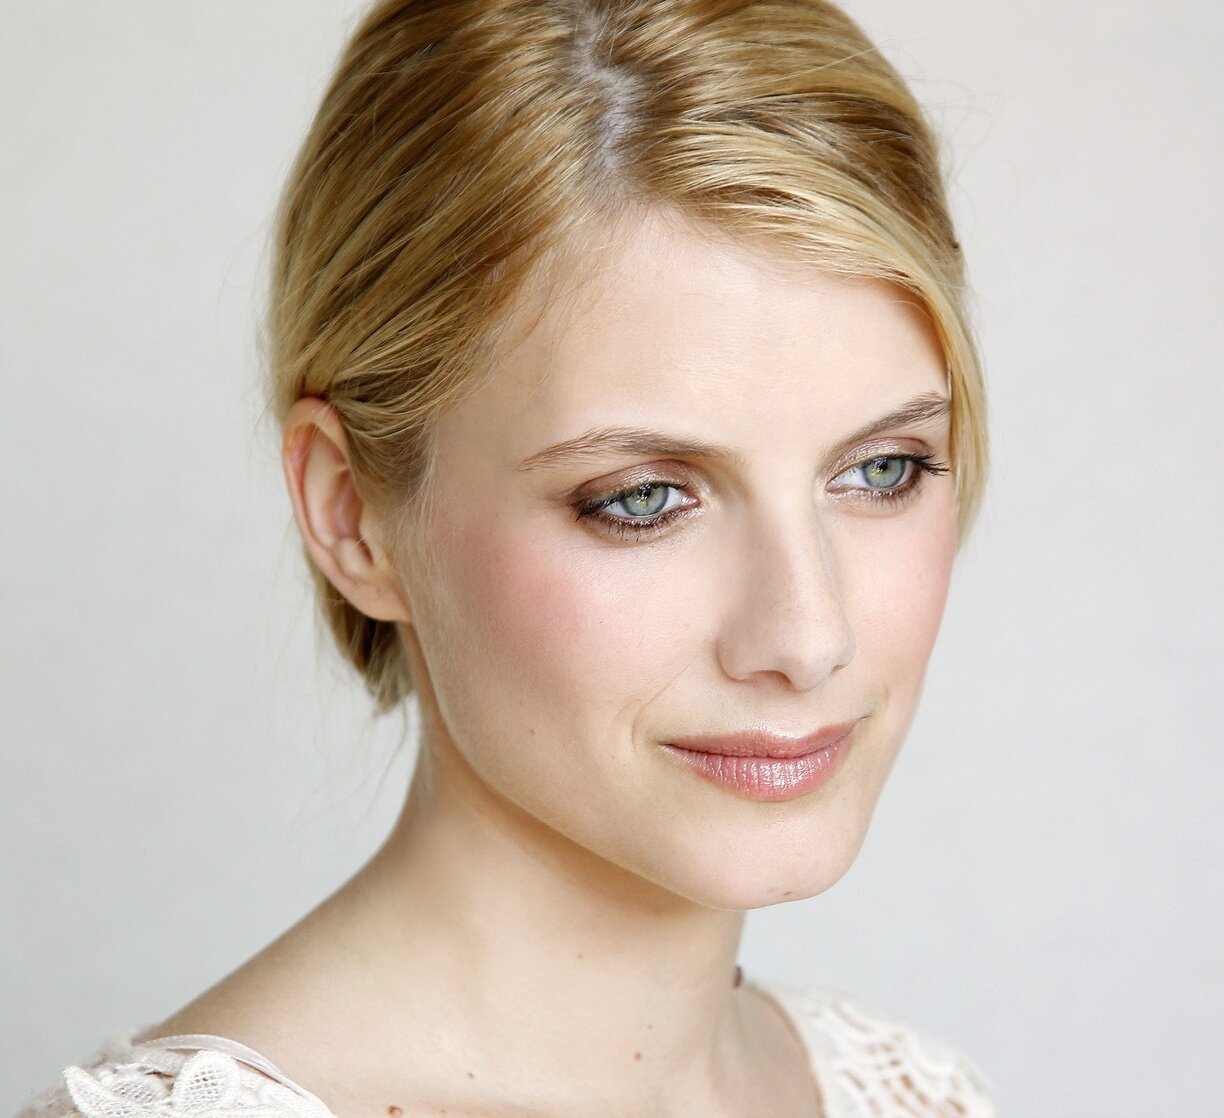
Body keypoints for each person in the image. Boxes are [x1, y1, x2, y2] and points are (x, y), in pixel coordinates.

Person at [15, 0, 995, 1115]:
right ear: (352, 513)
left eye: (883, 470)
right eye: (642, 498)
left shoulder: (916, 1092)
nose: (810, 637)